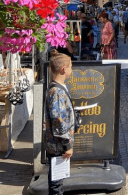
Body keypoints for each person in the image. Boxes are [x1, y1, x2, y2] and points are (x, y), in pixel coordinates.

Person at [44, 51, 75, 195]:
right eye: (71, 67)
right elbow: (58, 120)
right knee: (56, 183)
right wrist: (67, 145)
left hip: (57, 144)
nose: (71, 70)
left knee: (58, 180)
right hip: (58, 145)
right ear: (64, 69)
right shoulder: (57, 91)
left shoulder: (57, 88)